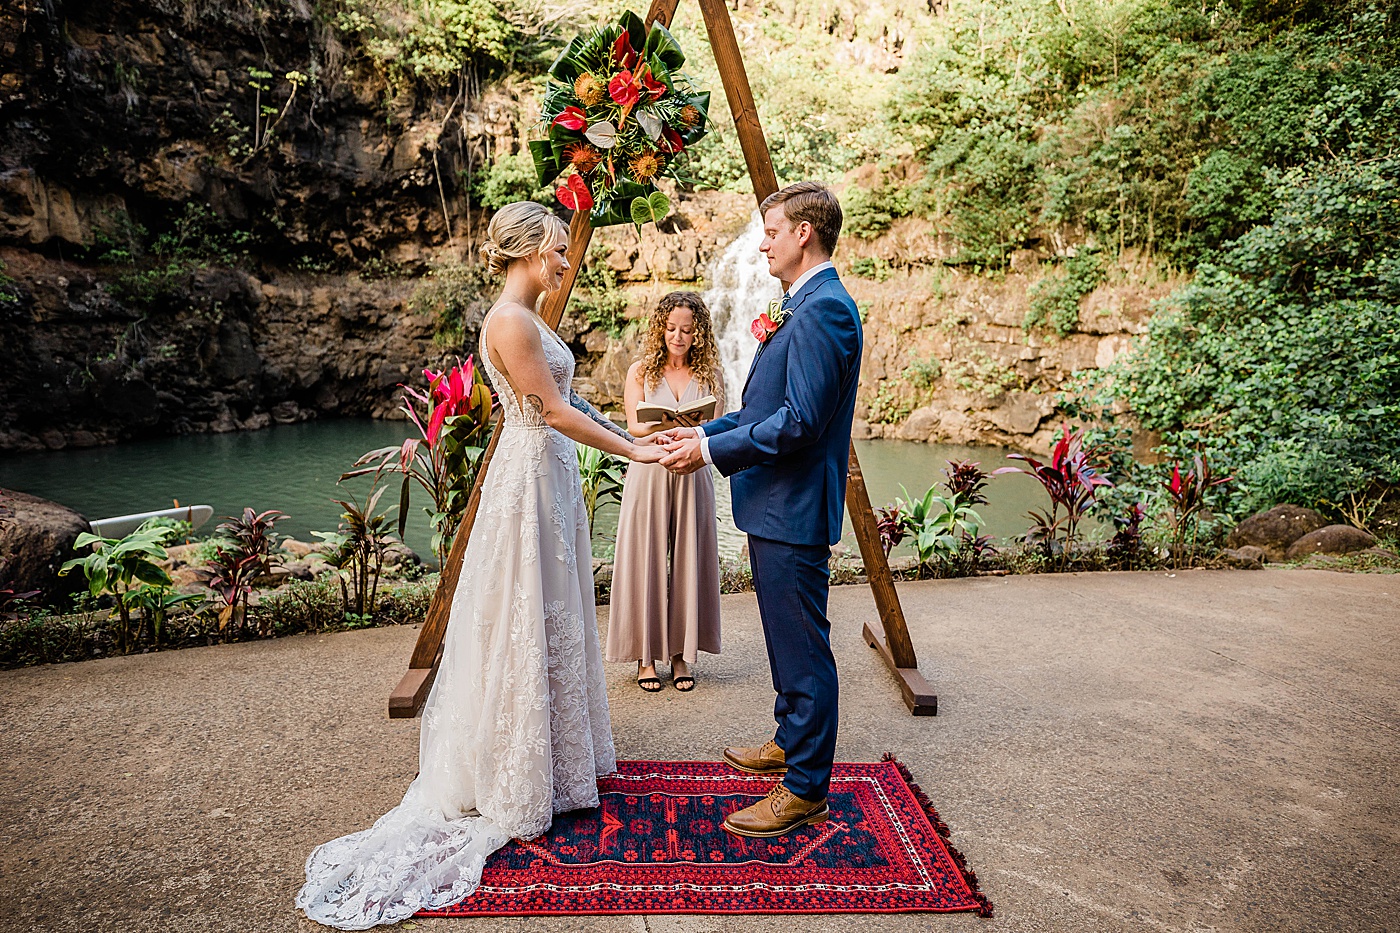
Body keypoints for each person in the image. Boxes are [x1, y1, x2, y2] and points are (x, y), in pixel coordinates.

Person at [296, 201, 665, 929]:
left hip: (546, 477)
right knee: (527, 614)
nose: (564, 261)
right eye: (557, 249)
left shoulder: (527, 318)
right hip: (528, 481)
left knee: (549, 612)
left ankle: (554, 760)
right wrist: (635, 452)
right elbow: (551, 409)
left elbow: (570, 400)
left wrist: (631, 429)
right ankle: (515, 772)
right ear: (529, 251)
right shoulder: (508, 321)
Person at [659, 181, 861, 839]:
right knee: (785, 635)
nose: (765, 242)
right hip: (775, 503)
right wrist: (703, 436)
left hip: (793, 505)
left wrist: (713, 457)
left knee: (804, 647)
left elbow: (798, 423)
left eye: (772, 231)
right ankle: (789, 739)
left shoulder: (825, 310)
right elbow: (763, 410)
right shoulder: (804, 304)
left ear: (805, 232)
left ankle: (804, 787)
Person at [607, 291, 724, 693]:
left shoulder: (709, 374)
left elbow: (718, 423)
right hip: (651, 469)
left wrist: (692, 430)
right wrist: (661, 427)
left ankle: (680, 655)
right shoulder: (641, 371)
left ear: (699, 334)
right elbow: (633, 427)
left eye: (687, 330)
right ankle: (646, 657)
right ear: (660, 328)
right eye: (671, 328)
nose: (678, 336)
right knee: (648, 558)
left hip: (692, 470)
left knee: (689, 557)